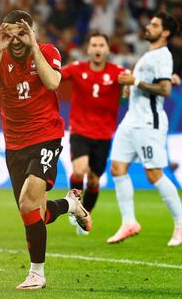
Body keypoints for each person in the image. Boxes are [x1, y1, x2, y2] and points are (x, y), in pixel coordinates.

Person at [0, 10, 92, 290]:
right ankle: (70, 204)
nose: (16, 40)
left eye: (22, 33)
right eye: (11, 34)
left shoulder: (47, 51)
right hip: (14, 145)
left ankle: (37, 273)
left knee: (28, 201)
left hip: (45, 136)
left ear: (31, 32)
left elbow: (53, 82)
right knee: (35, 213)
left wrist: (35, 45)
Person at [108, 11, 182, 247]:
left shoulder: (162, 56)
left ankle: (181, 220)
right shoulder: (150, 55)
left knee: (153, 173)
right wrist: (131, 87)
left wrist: (134, 82)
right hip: (131, 120)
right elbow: (158, 81)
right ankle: (129, 222)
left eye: (154, 25)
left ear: (165, 32)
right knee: (117, 168)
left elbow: (164, 90)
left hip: (148, 122)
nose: (148, 26)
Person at [61, 32, 126, 235]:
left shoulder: (118, 72)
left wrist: (129, 88)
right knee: (79, 170)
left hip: (104, 135)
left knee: (95, 180)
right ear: (88, 49)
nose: (98, 49)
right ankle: (75, 209)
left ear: (107, 50)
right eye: (94, 45)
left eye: (101, 45)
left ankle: (84, 215)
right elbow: (55, 76)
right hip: (80, 130)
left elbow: (133, 82)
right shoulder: (76, 68)